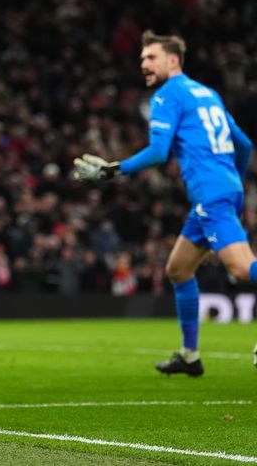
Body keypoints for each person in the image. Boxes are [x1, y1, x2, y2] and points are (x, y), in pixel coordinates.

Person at [73, 31, 254, 377]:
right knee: (178, 269)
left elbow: (159, 152)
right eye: (142, 59)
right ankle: (190, 356)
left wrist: (113, 170)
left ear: (173, 60)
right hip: (222, 189)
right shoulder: (207, 93)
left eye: (151, 57)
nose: (143, 64)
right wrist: (235, 182)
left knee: (242, 269)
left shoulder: (167, 95)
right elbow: (243, 143)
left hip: (211, 193)